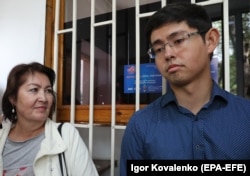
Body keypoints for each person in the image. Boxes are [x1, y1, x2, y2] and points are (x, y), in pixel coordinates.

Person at [120, 2, 250, 175]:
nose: (168, 54)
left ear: (210, 40)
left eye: (179, 40)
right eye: (158, 49)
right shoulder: (141, 125)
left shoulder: (246, 117)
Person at [0, 62, 99, 176]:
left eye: (48, 91)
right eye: (34, 90)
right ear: (13, 98)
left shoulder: (66, 135)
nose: (43, 98)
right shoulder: (2, 137)